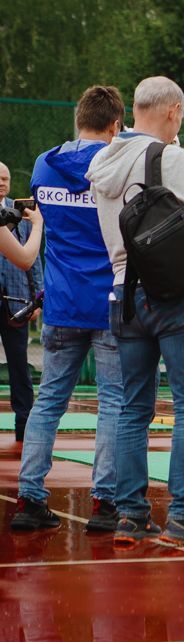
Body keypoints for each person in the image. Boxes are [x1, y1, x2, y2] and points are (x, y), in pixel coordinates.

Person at [87, 76, 184, 546]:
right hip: (172, 294)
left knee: (132, 408)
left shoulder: (101, 162)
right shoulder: (169, 157)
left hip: (122, 294)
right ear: (173, 111)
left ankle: (131, 515)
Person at [10, 85, 126, 532]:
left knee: (48, 403)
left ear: (78, 120)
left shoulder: (45, 164)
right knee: (112, 404)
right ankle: (105, 504)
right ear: (115, 125)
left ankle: (30, 498)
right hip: (109, 302)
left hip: (61, 302)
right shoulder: (118, 166)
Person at [0, 161, 44, 444]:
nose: (2, 183)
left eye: (5, 178)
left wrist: (37, 298)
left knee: (19, 364)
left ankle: (25, 425)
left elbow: (33, 260)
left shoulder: (20, 214)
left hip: (15, 300)